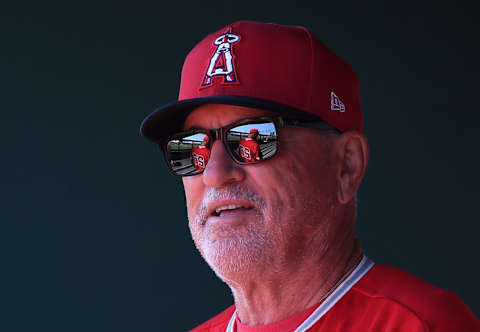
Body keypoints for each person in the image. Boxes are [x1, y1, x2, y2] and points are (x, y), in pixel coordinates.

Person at [140, 21, 480, 332]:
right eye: (191, 147)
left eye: (253, 138)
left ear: (346, 165)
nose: (214, 174)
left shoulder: (420, 325)